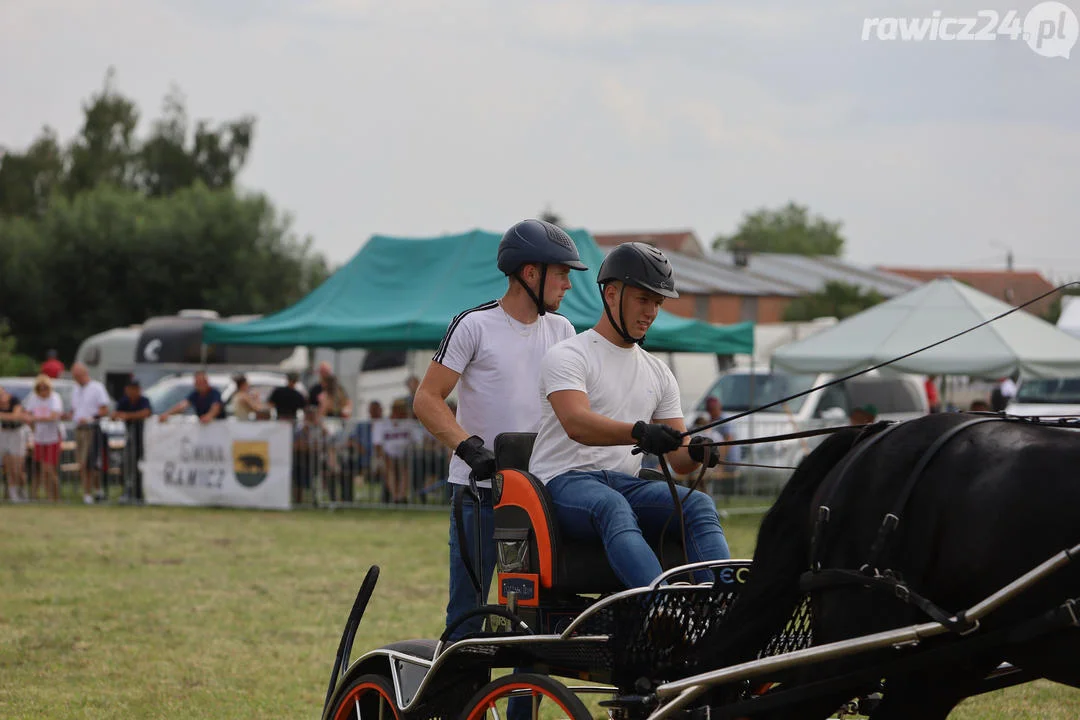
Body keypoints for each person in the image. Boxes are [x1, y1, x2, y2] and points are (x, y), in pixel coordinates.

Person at [412, 218, 589, 642]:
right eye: (562, 274)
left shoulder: (563, 331)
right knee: (468, 614)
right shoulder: (472, 324)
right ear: (531, 273)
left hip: (537, 494)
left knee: (531, 622)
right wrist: (468, 448)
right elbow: (427, 397)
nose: (568, 285)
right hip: (478, 495)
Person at [528, 241, 730, 589]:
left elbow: (679, 460)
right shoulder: (568, 356)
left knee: (698, 505)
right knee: (612, 506)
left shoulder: (659, 372)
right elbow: (578, 424)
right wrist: (640, 433)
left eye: (657, 302)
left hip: (625, 484)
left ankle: (724, 604)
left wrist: (696, 450)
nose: (651, 311)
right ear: (611, 294)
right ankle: (663, 608)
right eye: (643, 299)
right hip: (561, 483)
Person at [68, 362, 112, 504]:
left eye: (77, 376)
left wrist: (90, 418)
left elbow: (104, 409)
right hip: (79, 429)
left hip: (92, 429)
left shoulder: (97, 388)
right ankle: (90, 491)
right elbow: (74, 410)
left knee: (90, 463)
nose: (76, 379)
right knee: (82, 462)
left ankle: (92, 492)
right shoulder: (75, 389)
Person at [23, 375, 63, 501]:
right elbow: (27, 414)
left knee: (49, 468)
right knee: (39, 469)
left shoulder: (55, 398)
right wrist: (33, 421)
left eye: (45, 388)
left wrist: (35, 419)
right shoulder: (33, 398)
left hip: (52, 438)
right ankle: (42, 495)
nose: (43, 391)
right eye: (40, 388)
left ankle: (56, 495)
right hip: (39, 438)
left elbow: (54, 415)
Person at [112, 377, 152, 502]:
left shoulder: (144, 400)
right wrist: (126, 416)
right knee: (126, 466)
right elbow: (114, 415)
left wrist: (128, 416)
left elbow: (146, 413)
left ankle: (138, 494)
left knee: (137, 467)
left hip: (144, 439)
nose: (133, 392)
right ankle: (127, 491)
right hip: (130, 438)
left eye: (135, 389)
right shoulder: (124, 401)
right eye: (131, 389)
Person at [158, 371, 224, 424]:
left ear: (206, 382)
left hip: (219, 424)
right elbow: (182, 405)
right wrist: (167, 414)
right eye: (197, 383)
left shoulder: (214, 393)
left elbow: (216, 407)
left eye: (201, 383)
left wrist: (209, 416)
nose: (199, 386)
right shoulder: (195, 394)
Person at [0, 386, 29, 502]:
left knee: (17, 468)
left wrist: (3, 416)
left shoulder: (15, 400)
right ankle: (13, 495)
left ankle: (22, 490)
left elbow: (16, 416)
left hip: (17, 435)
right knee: (8, 467)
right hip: (4, 434)